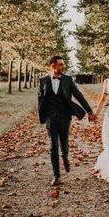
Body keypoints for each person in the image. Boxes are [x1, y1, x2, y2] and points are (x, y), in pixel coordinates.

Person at [38, 55, 96, 186]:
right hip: (50, 118)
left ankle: (65, 156)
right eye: (61, 64)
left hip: (65, 117)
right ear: (52, 65)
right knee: (53, 146)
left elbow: (79, 96)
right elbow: (40, 100)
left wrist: (89, 111)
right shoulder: (43, 81)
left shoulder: (68, 80)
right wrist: (42, 117)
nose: (63, 67)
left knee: (64, 143)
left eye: (63, 64)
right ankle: (56, 175)